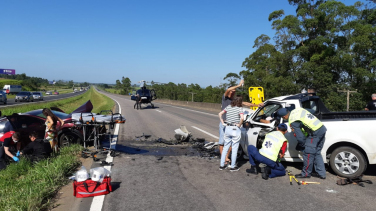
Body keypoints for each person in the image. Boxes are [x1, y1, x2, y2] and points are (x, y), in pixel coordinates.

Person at [219, 79, 263, 165]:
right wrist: (239, 85)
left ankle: (226, 157)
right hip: (224, 123)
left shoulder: (234, 101)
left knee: (231, 142)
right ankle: (224, 159)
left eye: (234, 91)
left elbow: (246, 103)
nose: (232, 92)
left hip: (232, 125)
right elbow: (227, 90)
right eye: (231, 90)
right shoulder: (225, 98)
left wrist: (257, 105)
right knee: (222, 142)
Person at [276, 108, 327, 179]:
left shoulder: (293, 121)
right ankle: (321, 173)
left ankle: (306, 174)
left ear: (284, 117)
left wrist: (303, 146)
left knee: (308, 153)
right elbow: (312, 111)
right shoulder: (296, 110)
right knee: (317, 152)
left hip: (314, 133)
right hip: (322, 128)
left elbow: (300, 137)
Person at [218, 97, 244, 171]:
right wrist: (239, 124)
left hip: (228, 128)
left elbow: (220, 114)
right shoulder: (240, 108)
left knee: (226, 147)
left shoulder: (229, 107)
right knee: (235, 148)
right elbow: (242, 118)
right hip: (235, 129)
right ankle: (233, 166)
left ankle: (222, 165)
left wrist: (222, 122)